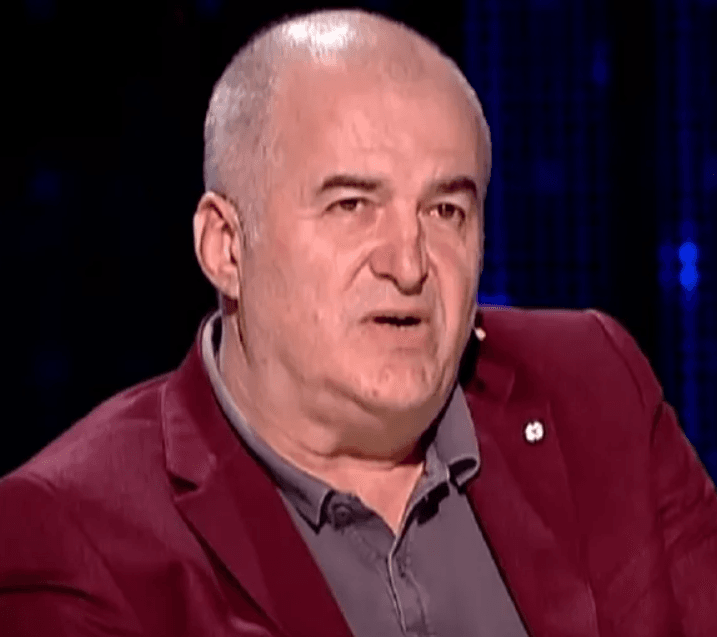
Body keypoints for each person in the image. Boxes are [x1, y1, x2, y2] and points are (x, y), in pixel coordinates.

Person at [1, 8, 715, 637]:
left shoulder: (594, 388)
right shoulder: (76, 537)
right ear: (226, 248)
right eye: (351, 205)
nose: (408, 264)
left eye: (446, 211)